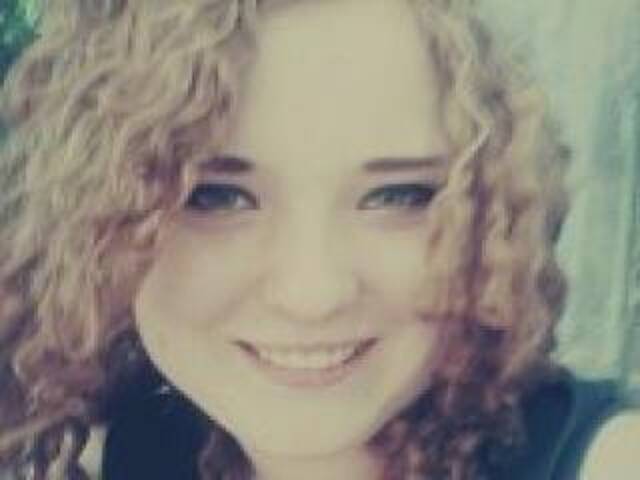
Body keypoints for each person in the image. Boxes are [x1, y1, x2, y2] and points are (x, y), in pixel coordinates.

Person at [0, 0, 638, 479]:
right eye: (216, 196)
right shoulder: (130, 446)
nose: (312, 294)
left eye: (399, 196)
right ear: (99, 223)